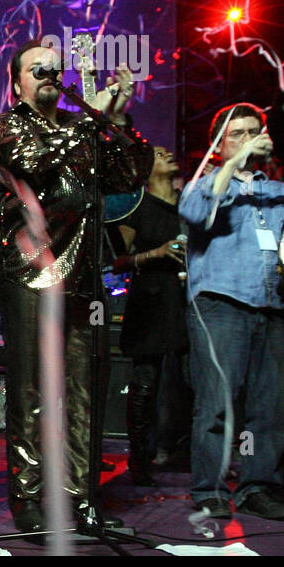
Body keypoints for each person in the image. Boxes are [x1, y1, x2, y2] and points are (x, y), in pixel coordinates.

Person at [0, 40, 151, 531]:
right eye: (37, 70)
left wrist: (118, 119)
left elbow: (133, 172)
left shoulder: (85, 131)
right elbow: (36, 166)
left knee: (82, 392)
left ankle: (81, 497)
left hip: (81, 276)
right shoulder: (5, 127)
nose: (49, 75)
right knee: (33, 388)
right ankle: (29, 498)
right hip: (30, 272)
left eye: (54, 69)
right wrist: (93, 117)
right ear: (16, 83)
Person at [179, 103, 284, 520]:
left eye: (253, 132)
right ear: (219, 145)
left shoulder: (278, 189)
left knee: (272, 405)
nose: (247, 140)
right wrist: (237, 164)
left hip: (274, 304)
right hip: (222, 303)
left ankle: (259, 486)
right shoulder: (205, 183)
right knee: (217, 403)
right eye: (237, 135)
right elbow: (196, 213)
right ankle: (209, 488)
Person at [110, 146, 189, 487]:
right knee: (145, 383)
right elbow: (117, 261)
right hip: (152, 298)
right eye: (159, 154)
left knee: (192, 381)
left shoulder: (191, 204)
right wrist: (155, 253)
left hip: (188, 299)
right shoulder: (137, 205)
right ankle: (141, 458)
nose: (168, 154)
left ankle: (187, 452)